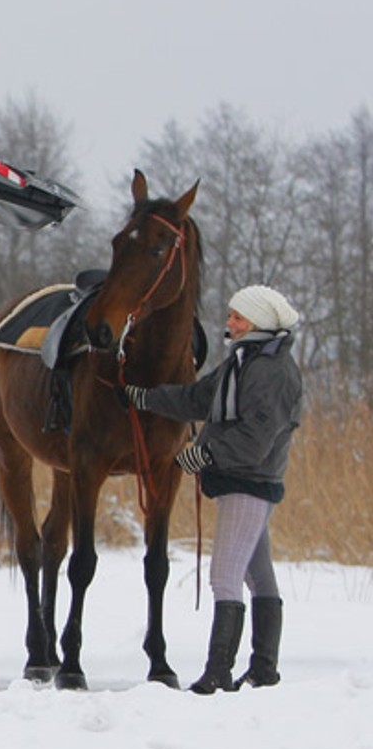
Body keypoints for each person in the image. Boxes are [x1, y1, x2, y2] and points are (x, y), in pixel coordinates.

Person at [125, 284, 305, 693]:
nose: (229, 323)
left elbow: (256, 437)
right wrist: (144, 398)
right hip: (241, 480)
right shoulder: (244, 362)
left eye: (238, 317)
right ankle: (263, 670)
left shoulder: (271, 371)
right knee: (258, 576)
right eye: (230, 315)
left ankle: (217, 673)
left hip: (249, 481)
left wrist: (205, 456)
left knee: (225, 576)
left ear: (257, 321)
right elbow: (197, 398)